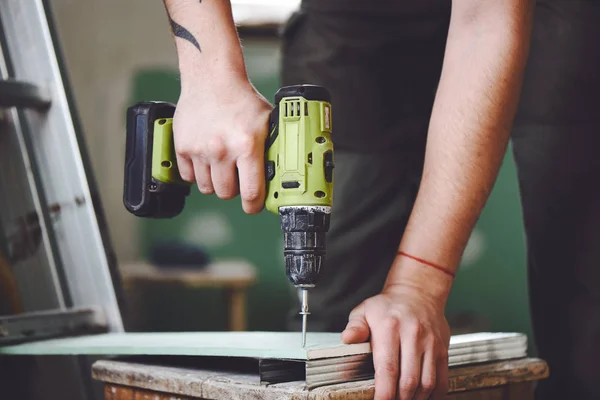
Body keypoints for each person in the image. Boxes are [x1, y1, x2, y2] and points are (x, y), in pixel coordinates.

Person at [160, 0, 600, 399]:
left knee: (584, 313)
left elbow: (485, 22)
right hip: (355, 18)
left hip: (548, 13)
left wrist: (419, 285)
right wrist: (211, 74)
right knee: (339, 343)